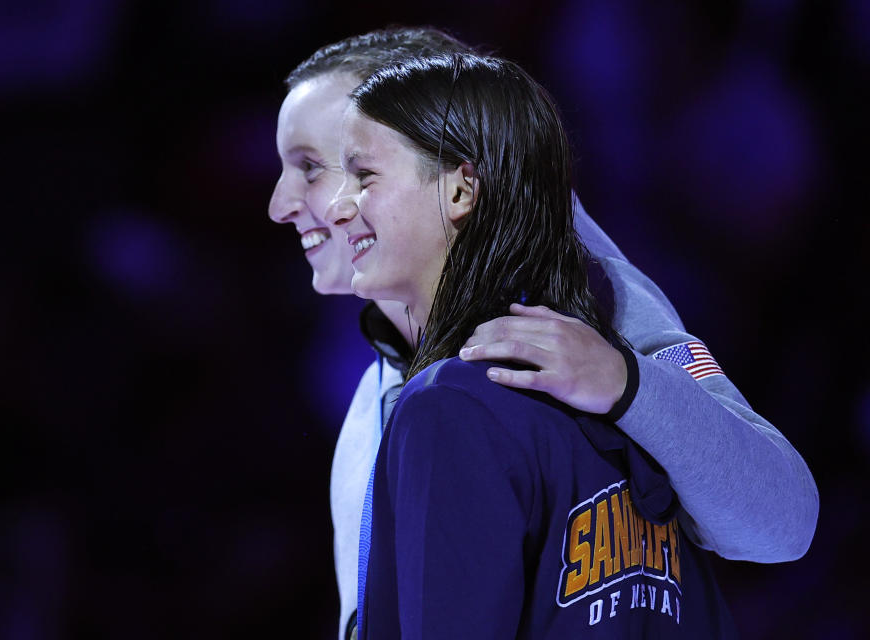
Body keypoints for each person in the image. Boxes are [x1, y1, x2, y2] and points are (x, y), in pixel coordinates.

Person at [267, 27, 817, 639]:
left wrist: (628, 382)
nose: (282, 203)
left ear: (454, 172)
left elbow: (783, 522)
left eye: (323, 167)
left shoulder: (606, 304)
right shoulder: (374, 411)